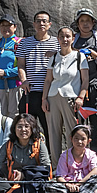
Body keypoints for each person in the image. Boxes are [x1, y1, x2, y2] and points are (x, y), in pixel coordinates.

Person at [0, 113, 51, 193]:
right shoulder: (9, 145)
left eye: (27, 126)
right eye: (19, 127)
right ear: (14, 129)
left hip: (31, 182)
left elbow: (46, 167)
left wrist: (24, 175)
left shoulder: (39, 145)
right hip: (12, 182)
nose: (23, 130)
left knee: (35, 187)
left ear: (32, 128)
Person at [41, 26, 89, 159]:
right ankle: (57, 165)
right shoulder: (54, 57)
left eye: (68, 36)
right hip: (53, 97)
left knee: (73, 132)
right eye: (61, 37)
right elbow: (48, 80)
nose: (65, 39)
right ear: (58, 39)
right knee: (53, 132)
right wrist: (44, 99)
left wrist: (81, 97)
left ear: (73, 38)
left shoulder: (79, 56)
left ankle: (74, 163)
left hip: (71, 98)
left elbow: (85, 80)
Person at [16, 11, 59, 145]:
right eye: (38, 21)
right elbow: (20, 65)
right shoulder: (24, 43)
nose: (41, 24)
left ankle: (51, 155)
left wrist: (56, 54)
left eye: (44, 21)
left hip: (50, 93)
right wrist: (24, 80)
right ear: (34, 24)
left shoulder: (57, 42)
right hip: (30, 91)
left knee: (49, 128)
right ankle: (29, 153)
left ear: (49, 24)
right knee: (27, 127)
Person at [72, 8, 97, 158]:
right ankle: (78, 155)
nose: (85, 24)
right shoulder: (72, 39)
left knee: (96, 122)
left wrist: (95, 55)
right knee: (78, 122)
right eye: (82, 21)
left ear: (93, 22)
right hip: (76, 86)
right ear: (78, 24)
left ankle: (95, 155)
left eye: (88, 20)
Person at [48, 125, 97, 193]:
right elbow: (60, 176)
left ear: (88, 141)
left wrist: (79, 183)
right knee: (47, 185)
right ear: (71, 139)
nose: (79, 142)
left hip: (85, 183)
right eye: (76, 138)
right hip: (69, 185)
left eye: (83, 139)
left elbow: (95, 171)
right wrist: (68, 185)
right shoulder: (65, 156)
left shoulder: (91, 154)